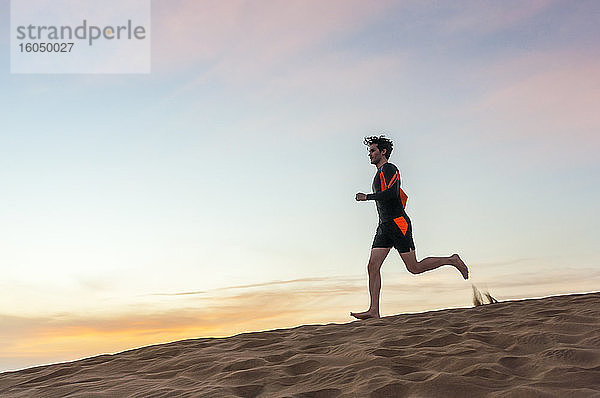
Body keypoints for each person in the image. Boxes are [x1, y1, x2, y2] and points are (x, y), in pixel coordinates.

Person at [350, 135, 469, 320]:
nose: (370, 154)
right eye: (369, 151)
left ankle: (452, 260)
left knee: (414, 267)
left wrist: (368, 197)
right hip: (384, 226)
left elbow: (392, 193)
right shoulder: (378, 174)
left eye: (373, 151)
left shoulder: (390, 169)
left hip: (398, 224)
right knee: (373, 266)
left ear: (383, 152)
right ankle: (374, 310)